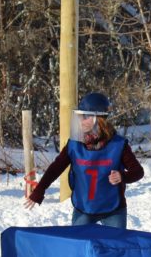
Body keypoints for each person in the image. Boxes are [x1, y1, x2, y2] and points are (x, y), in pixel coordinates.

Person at [24, 92, 144, 228]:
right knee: (77, 246)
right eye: (80, 116)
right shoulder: (74, 144)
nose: (81, 121)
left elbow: (138, 172)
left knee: (115, 247)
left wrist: (122, 176)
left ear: (99, 119)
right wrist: (39, 190)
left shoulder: (118, 145)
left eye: (86, 117)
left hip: (114, 209)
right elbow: (55, 168)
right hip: (83, 208)